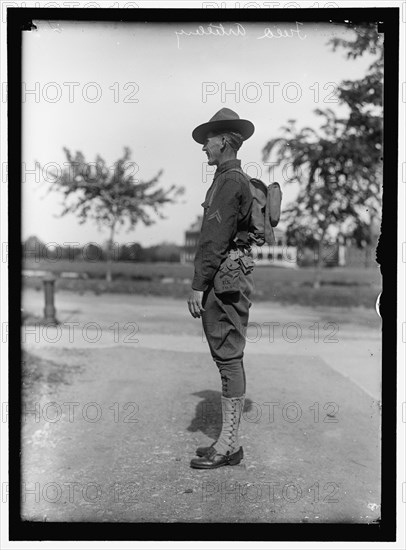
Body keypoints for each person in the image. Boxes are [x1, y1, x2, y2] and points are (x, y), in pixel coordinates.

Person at [187, 108, 255, 469]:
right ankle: (228, 442)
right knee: (225, 355)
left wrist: (198, 285)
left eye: (208, 141)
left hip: (224, 280)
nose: (204, 148)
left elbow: (213, 240)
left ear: (226, 141)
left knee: (228, 357)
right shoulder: (226, 179)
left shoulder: (230, 182)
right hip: (226, 277)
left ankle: (228, 447)